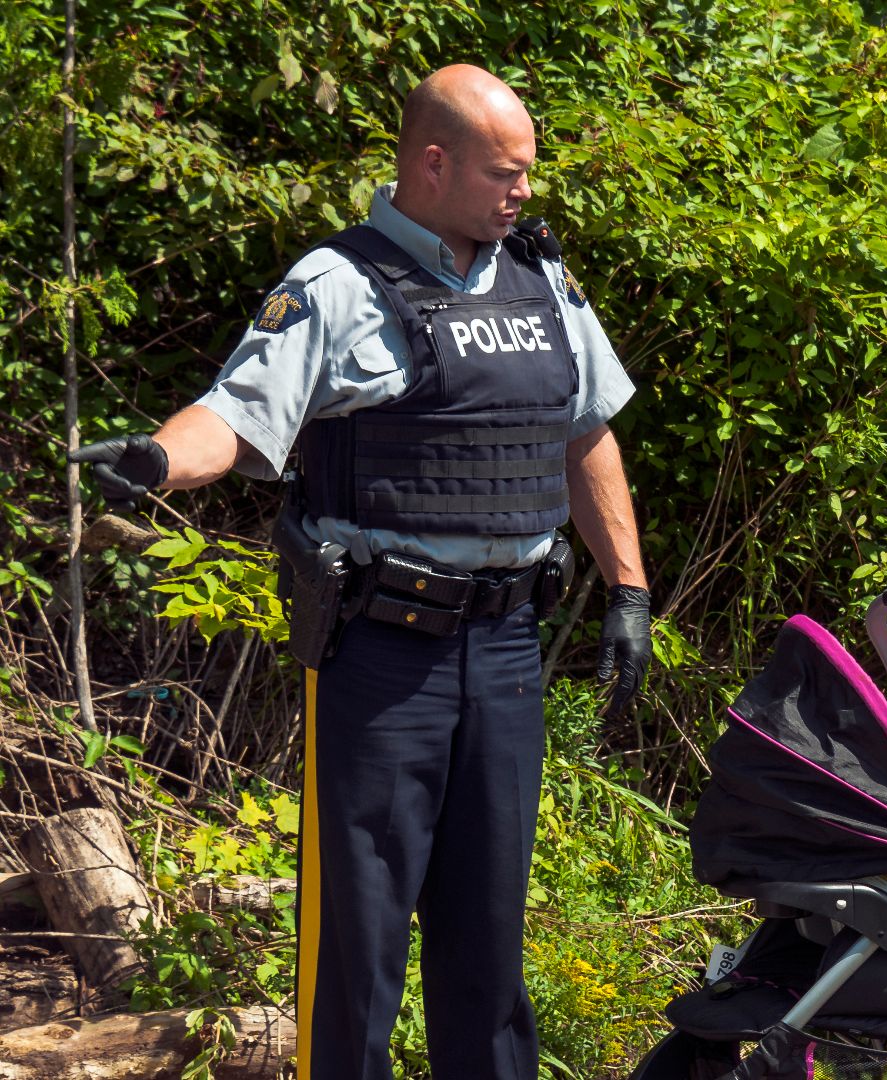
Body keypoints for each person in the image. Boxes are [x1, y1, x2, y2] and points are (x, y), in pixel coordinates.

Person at [69, 65, 652, 1080]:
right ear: (433, 163)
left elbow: (586, 428)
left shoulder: (541, 278)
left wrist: (631, 589)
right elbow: (236, 414)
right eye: (505, 173)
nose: (525, 192)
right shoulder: (339, 286)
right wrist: (161, 460)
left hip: (509, 651)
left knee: (490, 944)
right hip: (386, 659)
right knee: (360, 946)